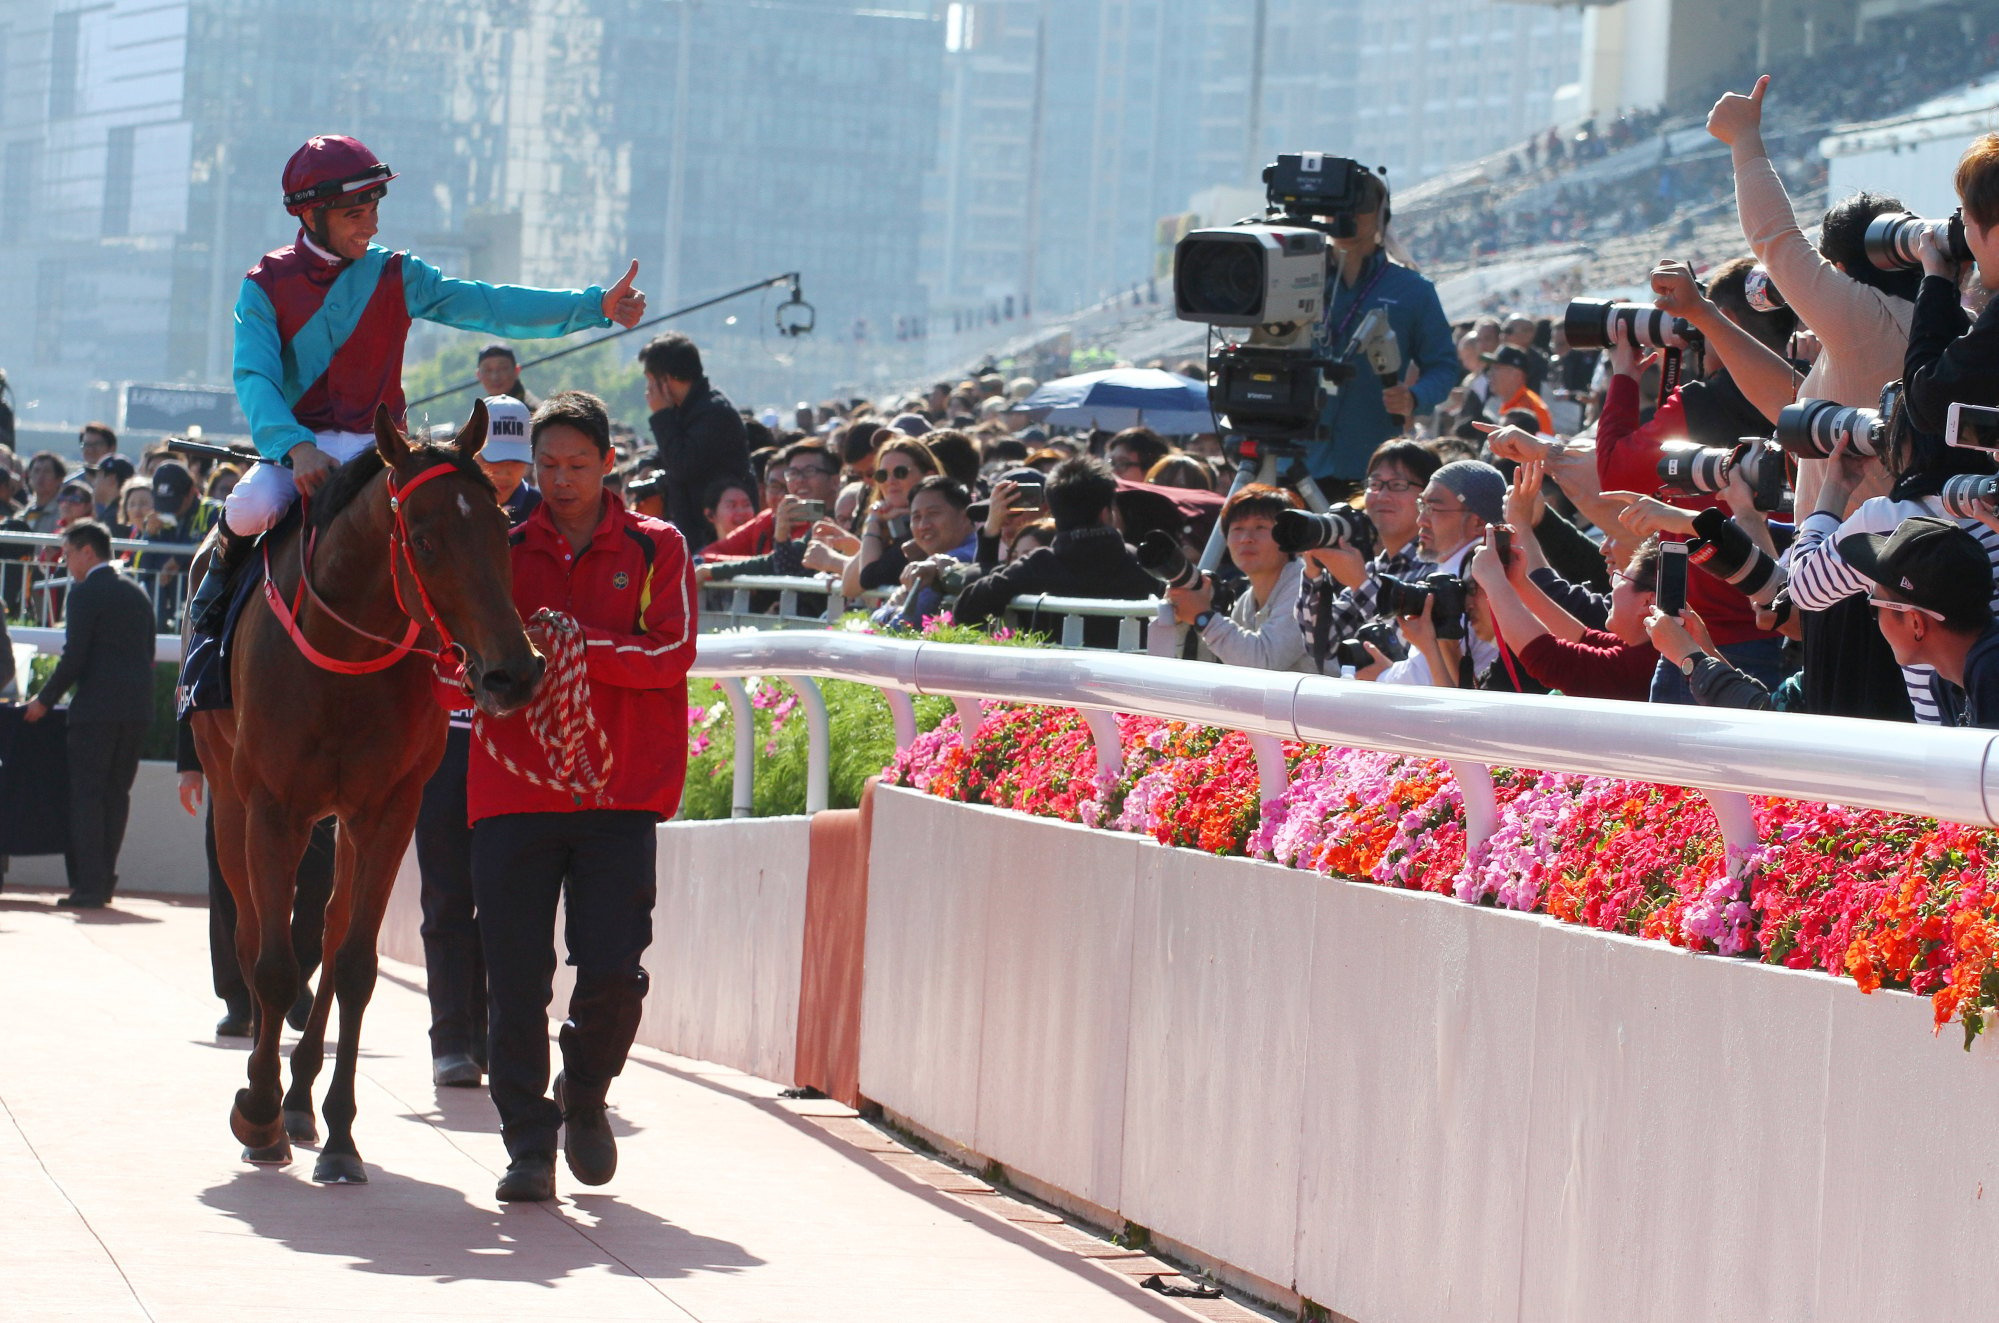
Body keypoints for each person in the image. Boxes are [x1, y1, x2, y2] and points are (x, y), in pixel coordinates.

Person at [189, 134, 645, 634]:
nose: (372, 225)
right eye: (355, 215)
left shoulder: (397, 273)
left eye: (374, 210)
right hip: (300, 451)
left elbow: (489, 304)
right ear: (311, 215)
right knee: (252, 506)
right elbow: (255, 377)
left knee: (447, 522)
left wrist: (592, 306)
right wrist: (295, 449)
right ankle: (209, 617)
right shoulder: (264, 284)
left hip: (379, 449)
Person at [468, 390, 695, 1203]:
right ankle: (528, 1144)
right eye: (547, 466)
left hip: (619, 792)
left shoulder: (656, 546)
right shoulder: (494, 545)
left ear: (608, 464)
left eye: (576, 465)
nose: (560, 480)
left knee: (612, 969)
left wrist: (567, 648)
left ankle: (586, 1090)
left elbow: (670, 651)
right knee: (515, 975)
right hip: (512, 792)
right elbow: (448, 660)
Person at [22, 521, 156, 908]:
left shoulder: (84, 593)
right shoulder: (136, 592)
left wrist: (44, 700)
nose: (65, 562)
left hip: (96, 711)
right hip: (136, 710)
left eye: (67, 553)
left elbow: (74, 658)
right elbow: (147, 653)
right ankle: (104, 880)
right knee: (117, 796)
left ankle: (90, 885)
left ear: (88, 552)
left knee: (87, 797)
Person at [1306, 173, 1460, 490]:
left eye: (1358, 205)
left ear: (1381, 214)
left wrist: (1414, 398)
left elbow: (1444, 366)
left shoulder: (1412, 290)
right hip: (1294, 453)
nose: (1345, 216)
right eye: (1335, 206)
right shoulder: (1294, 281)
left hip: (1370, 464)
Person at [953, 456, 1160, 647]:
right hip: (1129, 682)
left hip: (1048, 682)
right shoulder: (1140, 564)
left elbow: (967, 608)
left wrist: (990, 534)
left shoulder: (1037, 566)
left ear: (1054, 511)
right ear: (1106, 513)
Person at [1295, 439, 1439, 673]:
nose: (1382, 495)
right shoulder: (1376, 568)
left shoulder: (1435, 567)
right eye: (1375, 484)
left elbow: (1408, 650)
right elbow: (1322, 642)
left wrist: (1359, 583)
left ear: (1429, 497)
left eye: (1397, 484)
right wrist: (1313, 572)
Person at [1842, 517, 1999, 727]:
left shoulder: (1991, 673)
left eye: (1874, 605)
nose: (1875, 617)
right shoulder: (1946, 680)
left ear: (1916, 622)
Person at [1372, 460, 1505, 685]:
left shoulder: (1473, 582)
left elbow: (1423, 682)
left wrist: (1377, 677)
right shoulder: (1460, 570)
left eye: (1432, 508)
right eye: (1421, 506)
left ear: (1477, 523)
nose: (1420, 520)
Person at [1168, 484, 1313, 672]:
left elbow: (1263, 662)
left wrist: (1202, 616)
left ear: (1290, 536)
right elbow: (1218, 666)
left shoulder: (1306, 589)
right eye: (1237, 529)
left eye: (1260, 527)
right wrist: (1181, 617)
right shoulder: (1246, 601)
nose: (1246, 538)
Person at [640, 332, 750, 548]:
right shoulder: (688, 411)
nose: (648, 391)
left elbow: (682, 463)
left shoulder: (714, 413)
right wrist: (648, 464)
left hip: (713, 537)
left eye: (651, 381)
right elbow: (670, 450)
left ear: (666, 379)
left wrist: (661, 415)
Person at [873, 477, 979, 629]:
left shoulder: (959, 557)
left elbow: (903, 625)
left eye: (933, 513)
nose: (923, 525)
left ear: (966, 517)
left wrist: (892, 612)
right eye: (916, 517)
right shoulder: (935, 559)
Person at [475, 395, 541, 525]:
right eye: (494, 459)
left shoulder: (544, 512)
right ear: (472, 452)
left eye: (516, 460)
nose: (504, 473)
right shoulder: (445, 510)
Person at [1480, 346, 1552, 433]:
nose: (1489, 373)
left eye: (1496, 368)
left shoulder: (1529, 408)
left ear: (1516, 375)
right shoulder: (1511, 401)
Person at [476, 343, 537, 408]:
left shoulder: (533, 412)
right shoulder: (482, 410)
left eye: (503, 368)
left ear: (516, 370)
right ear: (478, 375)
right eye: (488, 370)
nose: (495, 377)